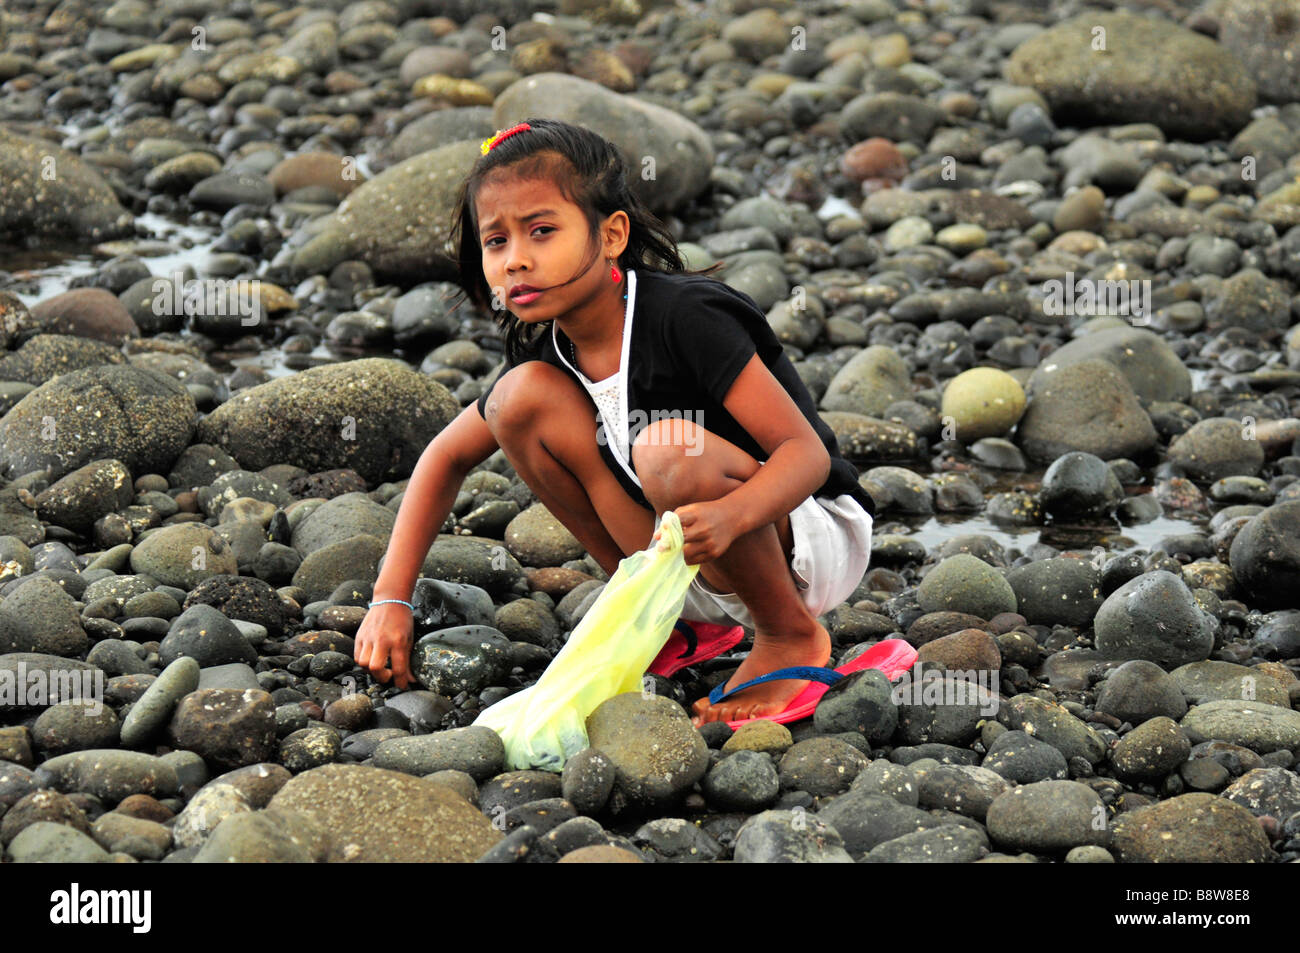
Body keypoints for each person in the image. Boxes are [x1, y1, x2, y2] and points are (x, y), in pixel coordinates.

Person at [354, 117, 876, 727]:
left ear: (612, 235)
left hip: (803, 535)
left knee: (665, 446)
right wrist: (390, 599)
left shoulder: (685, 317)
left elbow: (805, 455)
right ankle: (666, 623)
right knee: (514, 402)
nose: (516, 260)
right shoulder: (546, 347)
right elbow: (445, 457)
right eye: (497, 242)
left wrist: (733, 514)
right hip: (689, 553)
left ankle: (787, 634)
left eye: (541, 232)